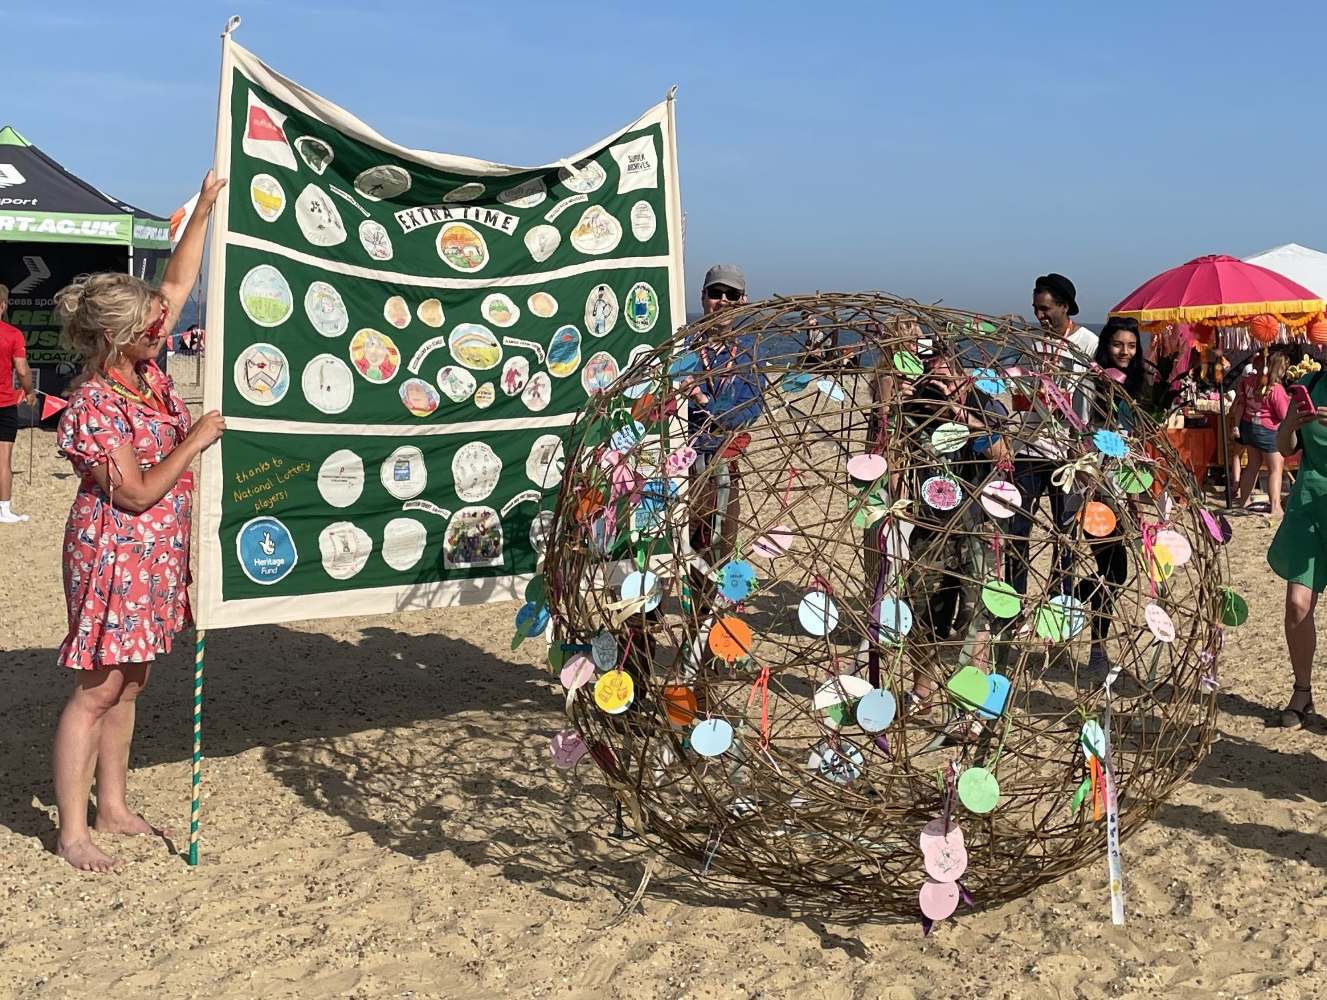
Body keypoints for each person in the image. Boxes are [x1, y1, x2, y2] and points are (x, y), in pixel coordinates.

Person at [50, 171, 227, 873]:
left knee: (132, 680)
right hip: (114, 549)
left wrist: (206, 208)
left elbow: (177, 285)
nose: (165, 327)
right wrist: (196, 439)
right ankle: (71, 830)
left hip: (154, 554)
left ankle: (113, 804)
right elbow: (133, 494)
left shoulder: (145, 375)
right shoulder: (97, 400)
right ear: (117, 337)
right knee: (96, 689)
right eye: (151, 328)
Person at [1005, 273, 1099, 596]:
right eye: (1036, 309)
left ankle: (1060, 602)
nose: (1040, 316)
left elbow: (1094, 398)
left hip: (1067, 453)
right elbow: (1020, 390)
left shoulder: (1087, 343)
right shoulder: (1032, 342)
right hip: (1029, 447)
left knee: (1064, 532)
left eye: (1045, 309)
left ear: (1065, 307)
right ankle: (1013, 603)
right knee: (1018, 529)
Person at [1077, 317, 1145, 670]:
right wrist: (1091, 482)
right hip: (1097, 489)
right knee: (1112, 568)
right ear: (1107, 346)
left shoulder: (1136, 385)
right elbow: (1079, 430)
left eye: (1132, 345)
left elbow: (1137, 440)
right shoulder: (1093, 381)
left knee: (1115, 572)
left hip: (1125, 489)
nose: (1125, 352)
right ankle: (1097, 647)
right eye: (1119, 344)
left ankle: (1069, 597)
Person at [686, 264, 754, 594]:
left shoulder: (746, 355)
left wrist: (703, 402)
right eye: (715, 293)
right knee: (686, 552)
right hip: (684, 469)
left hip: (726, 465)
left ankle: (710, 636)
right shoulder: (683, 347)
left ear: (743, 301)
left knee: (723, 550)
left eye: (731, 294)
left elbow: (749, 407)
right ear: (703, 297)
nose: (722, 300)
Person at [1267, 362, 1327, 727]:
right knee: (1297, 605)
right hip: (1309, 503)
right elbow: (1286, 446)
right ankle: (1302, 692)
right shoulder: (1311, 383)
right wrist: (1290, 426)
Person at [1232, 350, 1290, 516]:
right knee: (1275, 469)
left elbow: (1241, 400)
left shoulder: (1248, 380)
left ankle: (1243, 502)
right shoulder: (1276, 388)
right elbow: (1283, 414)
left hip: (1249, 425)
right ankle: (1275, 507)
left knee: (1252, 466)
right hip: (1268, 430)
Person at [0, 283, 37, 523]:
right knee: (3, 458)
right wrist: (30, 392)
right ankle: (3, 511)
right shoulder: (12, 334)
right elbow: (22, 370)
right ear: (3, 306)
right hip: (3, 402)